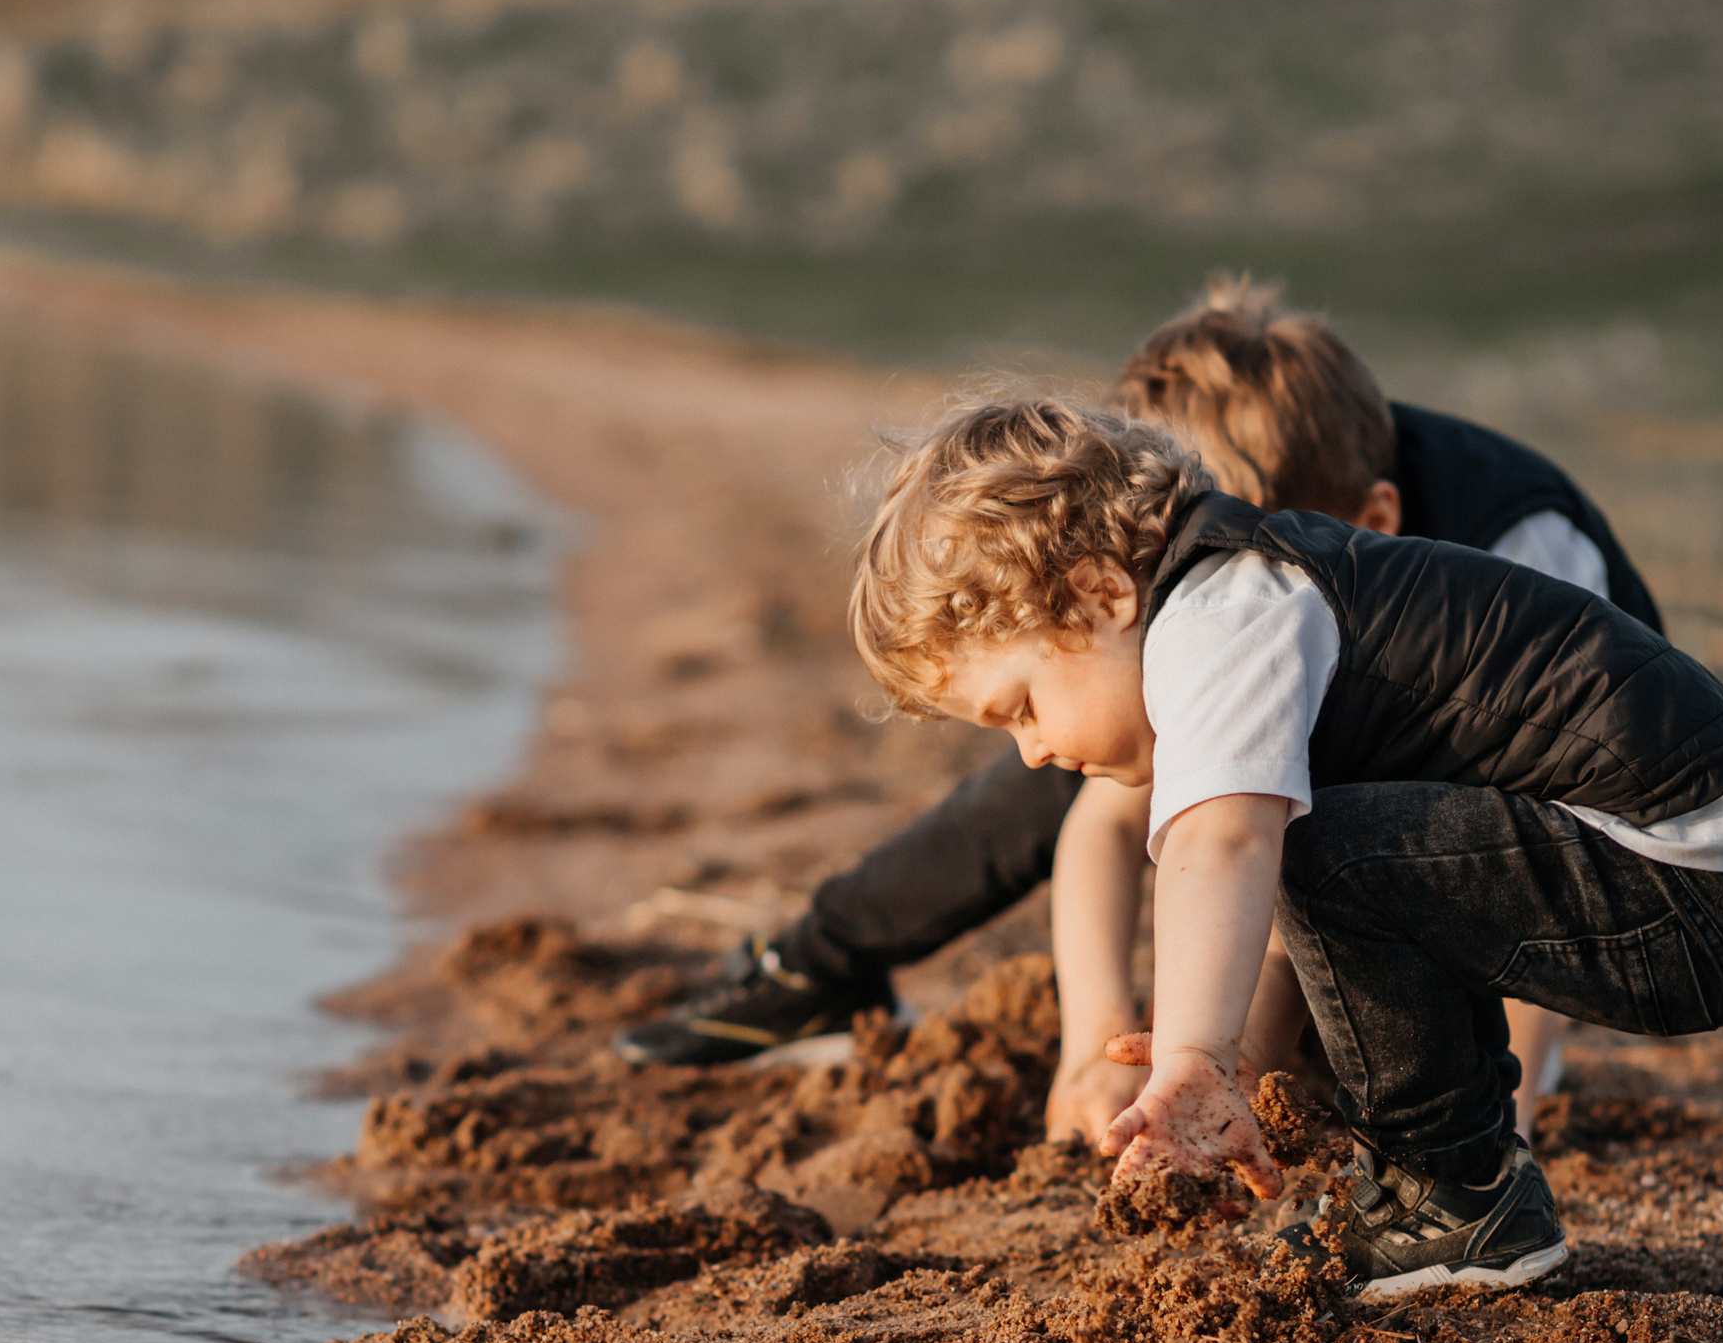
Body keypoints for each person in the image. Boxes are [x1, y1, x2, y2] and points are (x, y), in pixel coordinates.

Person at [616, 278, 1660, 1143]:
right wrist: (1100, 1037)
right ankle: (822, 956)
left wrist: (1519, 1086)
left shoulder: (1511, 549)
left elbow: (1553, 814)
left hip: (1545, 800)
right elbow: (1114, 822)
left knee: (1294, 832)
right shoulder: (1198, 596)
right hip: (1286, 734)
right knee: (1071, 762)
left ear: (1365, 519)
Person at [844, 396, 1723, 1295]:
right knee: (1333, 852)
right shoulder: (1249, 601)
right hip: (1702, 882)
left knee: (1324, 852)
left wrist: (1191, 1056)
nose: (1034, 751)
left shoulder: (1221, 616)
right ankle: (1445, 1186)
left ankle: (1456, 1195)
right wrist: (1231, 1090)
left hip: (1694, 892)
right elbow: (1292, 915)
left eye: (1021, 706)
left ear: (1101, 593)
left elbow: (1223, 850)